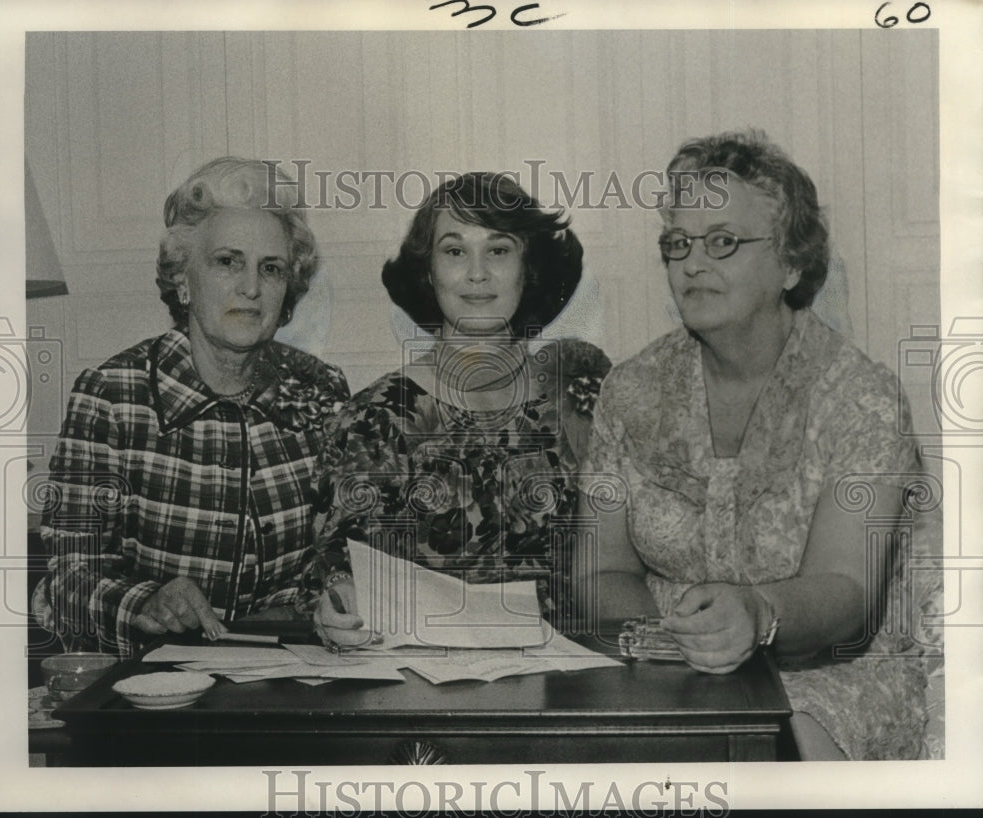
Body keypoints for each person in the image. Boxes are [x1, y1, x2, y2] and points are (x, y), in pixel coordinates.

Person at [574, 131, 928, 760]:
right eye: (677, 243)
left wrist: (759, 614)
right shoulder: (629, 390)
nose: (692, 262)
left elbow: (846, 589)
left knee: (770, 762)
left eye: (723, 242)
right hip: (667, 675)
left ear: (791, 263)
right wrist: (669, 638)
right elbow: (597, 572)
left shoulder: (861, 397)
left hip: (822, 680)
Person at [33, 157, 350, 658]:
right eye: (228, 261)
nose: (251, 287)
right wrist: (146, 601)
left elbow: (340, 546)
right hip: (158, 692)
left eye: (271, 268)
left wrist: (336, 593)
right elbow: (67, 581)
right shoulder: (113, 395)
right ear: (183, 277)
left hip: (295, 679)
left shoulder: (321, 389)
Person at [297, 172, 611, 646]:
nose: (477, 273)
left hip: (572, 684)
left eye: (499, 250)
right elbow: (337, 571)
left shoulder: (580, 402)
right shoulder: (376, 419)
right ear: (428, 271)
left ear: (530, 268)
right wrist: (339, 600)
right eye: (454, 250)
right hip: (428, 688)